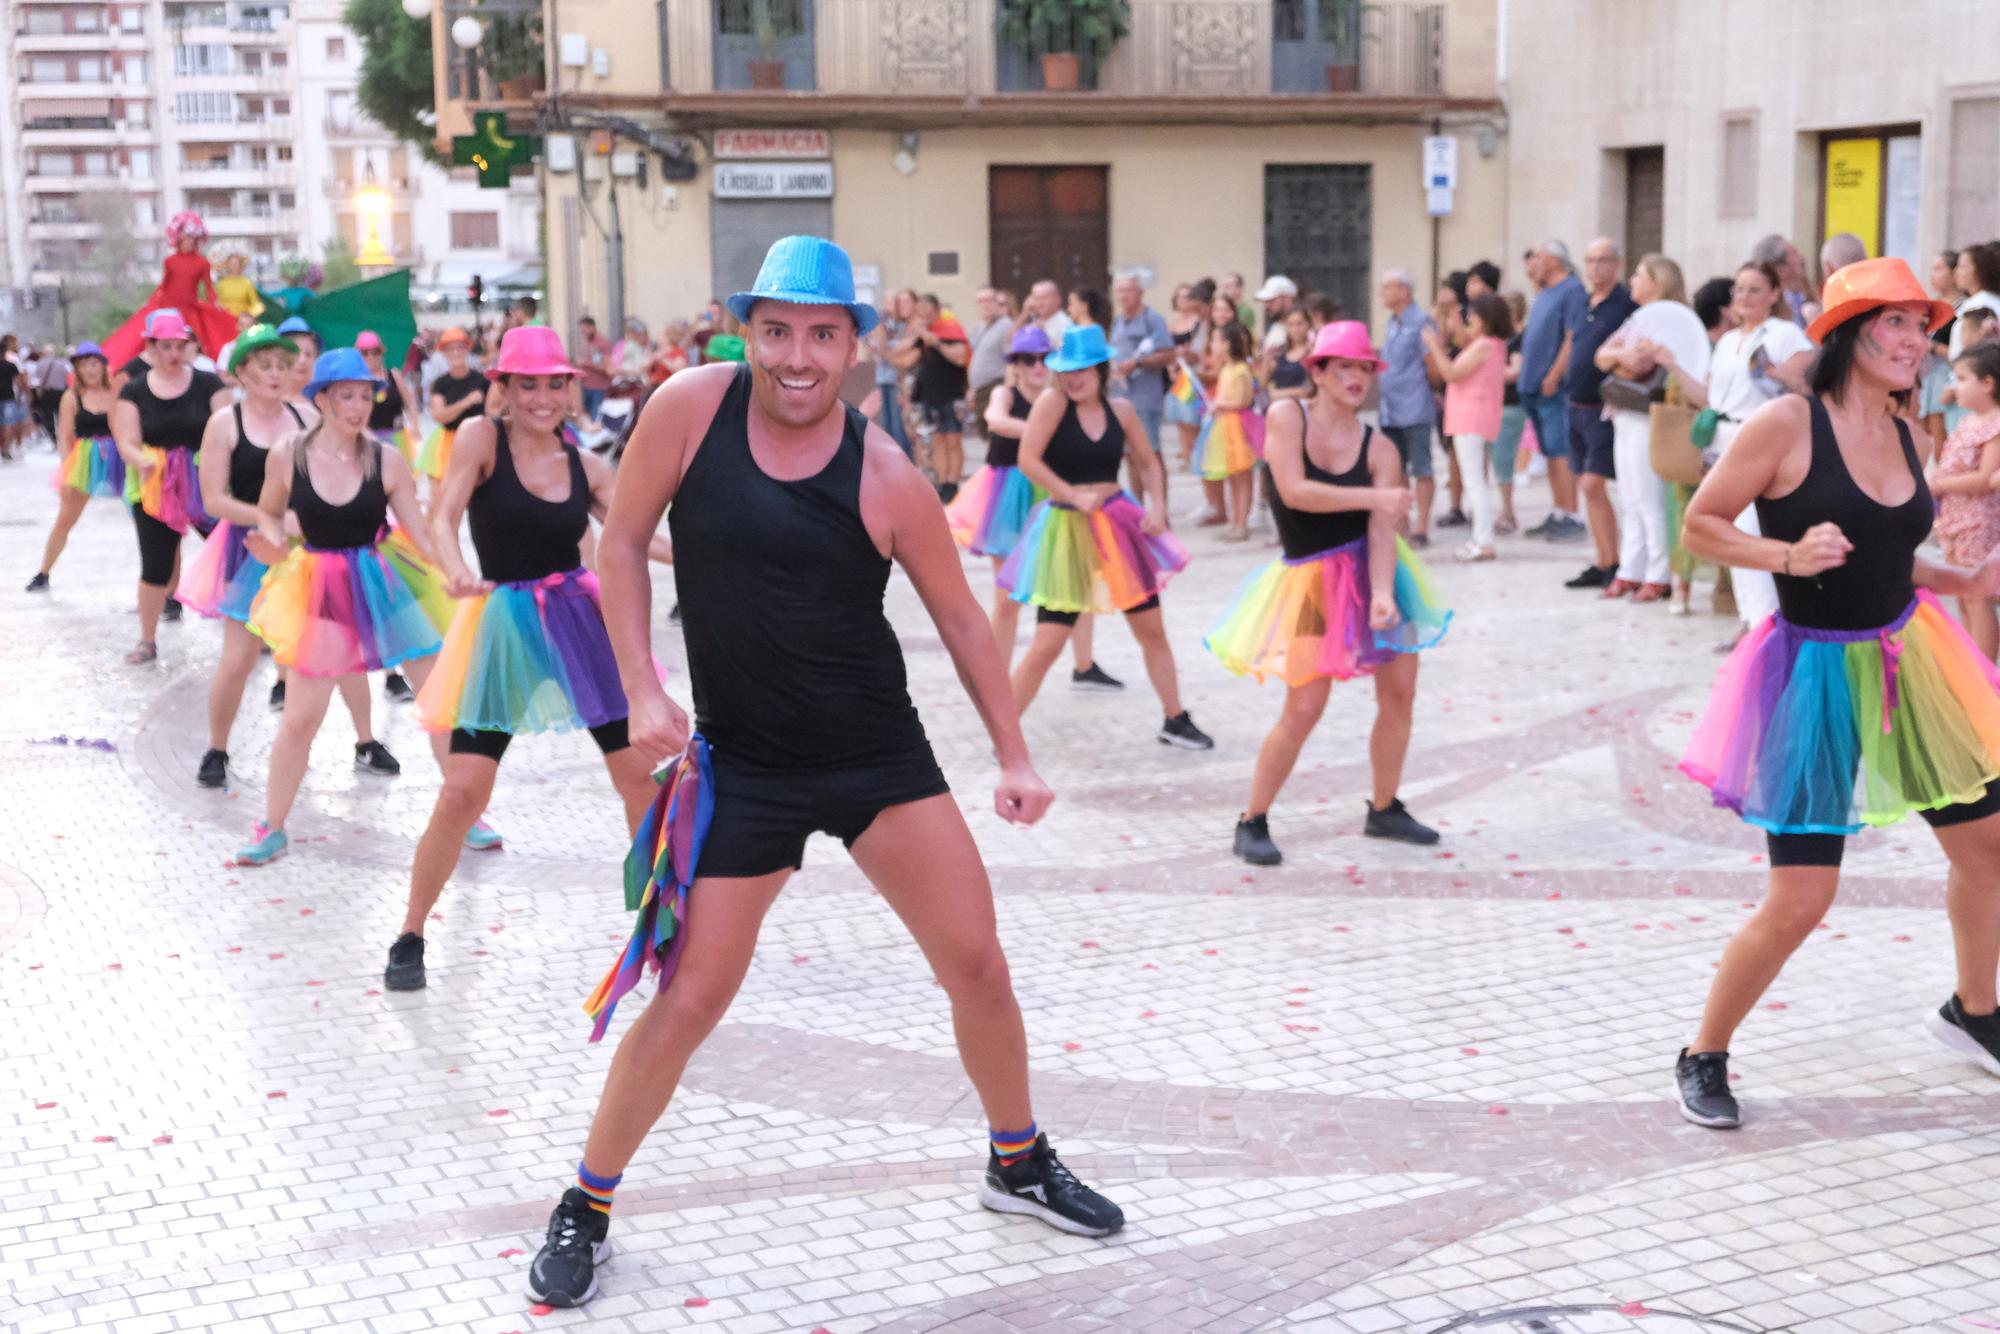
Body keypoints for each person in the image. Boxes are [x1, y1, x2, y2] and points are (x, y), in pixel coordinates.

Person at [528, 235, 1124, 1308]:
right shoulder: (687, 411)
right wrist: (642, 689)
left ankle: (1015, 1157)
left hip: (874, 758)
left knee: (977, 964)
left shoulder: (884, 472)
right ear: (746, 328)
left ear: (853, 345)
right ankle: (587, 1199)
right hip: (744, 766)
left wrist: (1015, 756)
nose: (797, 356)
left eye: (821, 334)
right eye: (777, 331)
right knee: (689, 995)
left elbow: (959, 619)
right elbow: (617, 544)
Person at [1675, 257, 2000, 1129]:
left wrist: (1967, 574)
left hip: (1911, 661)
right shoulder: (1785, 423)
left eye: (1921, 327)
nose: (1916, 341)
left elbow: (1894, 557)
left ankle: (1974, 1012)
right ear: (1849, 335)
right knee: (1803, 898)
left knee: (1989, 849)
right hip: (1814, 673)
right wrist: (1783, 556)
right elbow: (1700, 524)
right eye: (1895, 323)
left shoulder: (1909, 434)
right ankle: (1704, 1052)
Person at [389, 327, 669, 989]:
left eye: (554, 383)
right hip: (507, 623)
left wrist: (726, 558)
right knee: (462, 791)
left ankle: (657, 922)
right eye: (527, 384)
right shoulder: (482, 439)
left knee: (638, 778)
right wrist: (456, 570)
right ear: (505, 389)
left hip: (581, 621)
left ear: (570, 389)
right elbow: (444, 513)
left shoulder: (587, 465)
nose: (542, 396)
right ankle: (410, 930)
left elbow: (638, 538)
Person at [1211, 320, 1448, 866]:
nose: (1356, 377)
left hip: (1375, 577)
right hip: (1312, 583)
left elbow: (1381, 530)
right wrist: (1375, 498)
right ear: (1317, 371)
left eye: (1365, 368)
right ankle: (1253, 819)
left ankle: (1384, 808)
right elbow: (1293, 492)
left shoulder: (1380, 446)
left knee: (1400, 694)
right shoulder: (1285, 416)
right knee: (1304, 706)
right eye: (1344, 366)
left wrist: (1385, 592)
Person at [234, 349, 455, 866]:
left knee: (438, 699)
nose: (358, 406)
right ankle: (273, 824)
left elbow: (421, 537)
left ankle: (466, 811)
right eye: (346, 396)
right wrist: (272, 543)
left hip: (382, 581)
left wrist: (455, 579)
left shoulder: (387, 459)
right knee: (300, 717)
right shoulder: (289, 454)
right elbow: (269, 512)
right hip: (319, 584)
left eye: (365, 395)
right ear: (323, 399)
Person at [1001, 325, 1213, 750]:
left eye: (1083, 370)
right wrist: (1070, 495)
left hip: (1119, 524)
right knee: (1047, 643)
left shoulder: (1122, 411)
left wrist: (1157, 507)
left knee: (1152, 630)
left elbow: (1150, 462)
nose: (1074, 378)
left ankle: (1175, 718)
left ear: (1100, 369)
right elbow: (1027, 459)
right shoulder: (1052, 403)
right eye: (1068, 370)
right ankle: (1004, 732)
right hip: (1066, 529)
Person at [1650, 261, 1813, 641]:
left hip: (1759, 439)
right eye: (1739, 290)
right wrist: (1672, 364)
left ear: (1774, 294)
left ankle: (1765, 623)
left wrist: (1772, 373)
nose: (1745, 297)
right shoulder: (1725, 342)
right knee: (1731, 531)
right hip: (1723, 438)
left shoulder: (1785, 334)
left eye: (1755, 289)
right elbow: (1710, 397)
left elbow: (1803, 383)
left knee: (1753, 530)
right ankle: (1750, 618)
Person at [111, 310, 233, 664]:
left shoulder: (209, 385)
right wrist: (142, 460)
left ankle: (255, 630)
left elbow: (228, 428)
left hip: (205, 479)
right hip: (157, 486)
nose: (174, 354)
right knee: (155, 565)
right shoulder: (134, 390)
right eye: (165, 347)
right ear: (150, 347)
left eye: (180, 346)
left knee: (233, 554)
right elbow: (127, 438)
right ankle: (147, 639)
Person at [1594, 254, 1711, 600]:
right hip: (1625, 411)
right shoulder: (1637, 319)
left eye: (1639, 275)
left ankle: (1658, 572)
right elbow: (1601, 355)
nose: (1632, 281)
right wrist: (1622, 357)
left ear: (1656, 282)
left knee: (1649, 496)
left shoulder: (1678, 322)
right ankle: (1632, 567)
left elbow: (1688, 365)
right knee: (1629, 495)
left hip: (1655, 415)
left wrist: (1655, 357)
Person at [951, 325, 1054, 660]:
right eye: (1029, 359)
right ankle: (997, 679)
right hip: (1008, 495)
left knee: (1066, 588)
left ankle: (1085, 664)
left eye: (1044, 358)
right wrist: (1041, 431)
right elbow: (995, 420)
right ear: (1017, 364)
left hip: (1050, 493)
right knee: (1007, 597)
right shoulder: (1005, 394)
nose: (1037, 365)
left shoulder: (1057, 398)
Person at [1561, 238, 1639, 590]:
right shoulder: (1582, 301)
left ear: (1617, 263)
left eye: (1603, 260)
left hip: (1604, 408)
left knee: (1595, 482)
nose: (1596, 268)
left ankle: (1620, 560)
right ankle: (1604, 559)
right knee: (1586, 487)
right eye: (1590, 260)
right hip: (1574, 404)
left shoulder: (1626, 305)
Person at [1424, 292, 1511, 563]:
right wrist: (1451, 318)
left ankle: (1483, 541)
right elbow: (1462, 341)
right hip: (1474, 416)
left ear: (1484, 319)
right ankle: (1480, 537)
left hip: (1470, 417)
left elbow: (1450, 372)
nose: (1469, 320)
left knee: (1474, 482)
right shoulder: (1490, 344)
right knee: (1475, 480)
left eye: (1472, 316)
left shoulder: (1484, 345)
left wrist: (1433, 346)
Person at [27, 343, 121, 591]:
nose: (89, 370)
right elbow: (65, 437)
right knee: (65, 519)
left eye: (94, 363)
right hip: (84, 461)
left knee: (146, 515)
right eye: (83, 365)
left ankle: (162, 584)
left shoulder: (116, 393)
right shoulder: (71, 397)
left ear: (103, 365)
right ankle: (44, 572)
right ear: (77, 369)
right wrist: (66, 473)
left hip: (117, 459)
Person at [1929, 342, 2000, 660]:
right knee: (1962, 592)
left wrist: (1939, 484)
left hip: (1978, 521)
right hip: (1955, 519)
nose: (1953, 387)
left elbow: (1986, 479)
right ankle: (1970, 662)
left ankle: (1983, 672)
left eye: (1960, 378)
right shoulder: (1967, 421)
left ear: (1987, 384)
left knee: (1977, 595)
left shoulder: (1995, 425)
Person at [101, 212, 238, 364]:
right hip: (167, 307)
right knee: (149, 339)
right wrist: (151, 303)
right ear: (178, 238)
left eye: (193, 238)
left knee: (196, 345)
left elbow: (208, 289)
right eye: (186, 237)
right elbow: (163, 286)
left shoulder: (202, 263)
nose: (189, 242)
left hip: (190, 311)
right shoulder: (170, 261)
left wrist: (215, 303)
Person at [1519, 242, 1589, 540]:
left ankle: (1572, 515)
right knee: (1548, 452)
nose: (1533, 261)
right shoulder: (1543, 292)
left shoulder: (1572, 290)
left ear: (1556, 259)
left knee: (1561, 452)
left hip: (1552, 386)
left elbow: (1572, 337)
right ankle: (1558, 510)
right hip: (1531, 384)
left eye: (1539, 256)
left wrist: (1555, 374)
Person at [1375, 269, 1437, 547]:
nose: (1382, 293)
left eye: (1386, 287)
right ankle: (1402, 526)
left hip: (1414, 406)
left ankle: (1422, 525)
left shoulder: (1421, 321)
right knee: (1395, 470)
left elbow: (1432, 363)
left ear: (1404, 290)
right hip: (1390, 409)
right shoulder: (1392, 322)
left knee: (1421, 467)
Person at [1197, 322, 1265, 542]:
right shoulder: (1226, 369)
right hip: (1226, 425)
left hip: (1238, 425)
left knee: (1242, 477)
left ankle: (1242, 524)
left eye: (1217, 340)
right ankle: (1235, 521)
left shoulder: (1241, 369)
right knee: (1233, 478)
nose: (1213, 345)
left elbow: (1243, 399)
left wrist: (1221, 404)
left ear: (1228, 344)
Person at [1108, 272, 1176, 477]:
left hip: (1145, 399)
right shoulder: (1117, 321)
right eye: (1120, 290)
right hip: (1120, 397)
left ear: (1140, 292)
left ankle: (1160, 506)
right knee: (1129, 455)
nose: (1124, 295)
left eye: (1129, 290)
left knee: (1150, 453)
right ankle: (1137, 507)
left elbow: (1167, 354)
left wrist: (1137, 362)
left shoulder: (1153, 319)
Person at [909, 294, 970, 499]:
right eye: (920, 312)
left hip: (951, 393)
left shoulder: (950, 329)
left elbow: (961, 357)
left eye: (927, 312)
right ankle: (943, 483)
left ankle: (953, 482)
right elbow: (906, 356)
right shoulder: (921, 333)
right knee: (937, 440)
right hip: (929, 395)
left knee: (953, 439)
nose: (924, 316)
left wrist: (935, 342)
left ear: (936, 311)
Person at [420, 328, 488, 481]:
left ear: (467, 349)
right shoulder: (441, 383)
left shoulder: (482, 380)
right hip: (450, 443)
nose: (456, 353)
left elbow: (492, 412)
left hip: (478, 442)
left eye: (460, 347)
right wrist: (466, 402)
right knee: (444, 494)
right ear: (444, 352)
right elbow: (439, 416)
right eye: (451, 349)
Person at [1492, 291, 1529, 535]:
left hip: (1511, 406)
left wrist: (1488, 371)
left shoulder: (1517, 339)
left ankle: (1508, 512)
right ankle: (1504, 510)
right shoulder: (1506, 337)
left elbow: (1515, 371)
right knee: (1499, 459)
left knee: (1503, 459)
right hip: (1500, 405)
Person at [359, 331, 423, 465]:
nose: (370, 356)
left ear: (382, 353)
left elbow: (410, 403)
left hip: (397, 436)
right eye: (365, 353)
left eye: (375, 351)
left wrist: (415, 426)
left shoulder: (393, 375)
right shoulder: (356, 381)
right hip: (368, 438)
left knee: (401, 478)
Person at [966, 285, 1014, 435]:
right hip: (980, 391)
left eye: (989, 300)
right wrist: (972, 388)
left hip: (995, 388)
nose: (985, 304)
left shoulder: (1006, 326)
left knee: (995, 437)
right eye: (981, 301)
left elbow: (1011, 361)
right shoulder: (980, 327)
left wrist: (1006, 391)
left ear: (997, 302)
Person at [1951, 243, 2000, 360]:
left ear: (1978, 269)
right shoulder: (1984, 300)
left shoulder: (1980, 304)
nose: (1956, 272)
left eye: (1962, 266)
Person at [1267, 306, 1313, 404]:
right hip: (1278, 409)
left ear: (1308, 325)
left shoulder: (1312, 352)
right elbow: (1263, 384)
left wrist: (1278, 394)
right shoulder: (1279, 353)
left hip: (1302, 407)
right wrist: (1266, 359)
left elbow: (1308, 389)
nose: (1296, 329)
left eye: (1300, 324)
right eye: (1291, 325)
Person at [573, 315, 613, 422]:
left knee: (596, 419)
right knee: (587, 419)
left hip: (599, 389)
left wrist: (586, 363)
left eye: (585, 330)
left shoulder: (603, 344)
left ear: (593, 327)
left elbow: (607, 368)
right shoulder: (588, 343)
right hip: (587, 387)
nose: (583, 333)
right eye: (582, 331)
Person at [1254, 276, 1298, 353]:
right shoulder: (1276, 326)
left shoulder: (1300, 329)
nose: (1266, 306)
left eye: (1271, 300)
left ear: (1287, 299)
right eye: (1265, 301)